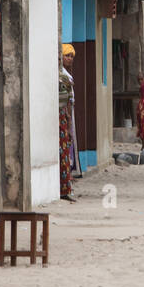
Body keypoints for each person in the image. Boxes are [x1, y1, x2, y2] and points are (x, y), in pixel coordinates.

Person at [59, 45, 78, 202]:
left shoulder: (67, 76)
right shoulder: (63, 77)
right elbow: (66, 102)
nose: (69, 59)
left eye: (71, 56)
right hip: (63, 118)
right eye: (67, 56)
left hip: (65, 118)